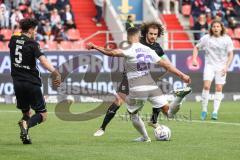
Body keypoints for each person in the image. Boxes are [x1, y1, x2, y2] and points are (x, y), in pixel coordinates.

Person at [87, 27, 191, 142]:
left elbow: (111, 52)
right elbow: (167, 65)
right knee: (169, 113)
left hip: (137, 88)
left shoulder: (128, 48)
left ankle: (145, 138)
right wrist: (182, 75)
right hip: (152, 85)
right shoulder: (147, 49)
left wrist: (95, 46)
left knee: (133, 113)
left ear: (128, 37)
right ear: (139, 36)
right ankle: (179, 97)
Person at [9, 18, 61, 144]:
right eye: (35, 30)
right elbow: (43, 61)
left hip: (17, 82)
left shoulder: (13, 39)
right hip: (32, 83)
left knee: (27, 112)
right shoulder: (32, 44)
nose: (36, 33)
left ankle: (25, 134)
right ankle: (25, 124)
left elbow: (16, 35)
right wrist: (55, 72)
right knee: (42, 115)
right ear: (31, 29)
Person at [192, 20, 234, 120]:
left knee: (219, 88)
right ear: (211, 28)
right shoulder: (206, 38)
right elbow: (196, 47)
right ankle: (204, 110)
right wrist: (194, 59)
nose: (215, 28)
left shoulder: (227, 39)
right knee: (206, 86)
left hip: (221, 67)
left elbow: (230, 54)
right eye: (214, 26)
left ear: (221, 28)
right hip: (209, 66)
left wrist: (226, 66)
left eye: (217, 26)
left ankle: (215, 112)